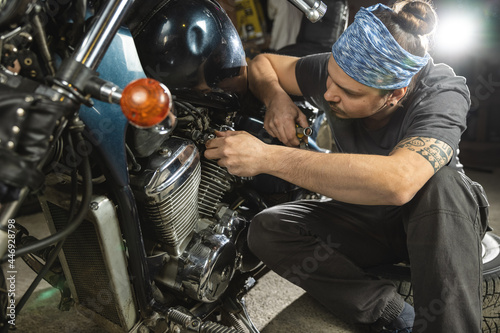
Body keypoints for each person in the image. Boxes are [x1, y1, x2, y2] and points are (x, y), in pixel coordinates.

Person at [204, 0, 490, 332]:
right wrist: (277, 99)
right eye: (330, 79)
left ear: (394, 95)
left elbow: (399, 183)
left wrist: (268, 158)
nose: (328, 94)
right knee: (268, 228)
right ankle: (393, 314)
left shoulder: (443, 91)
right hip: (368, 216)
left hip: (437, 222)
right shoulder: (335, 74)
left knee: (442, 185)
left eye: (349, 92)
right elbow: (263, 64)